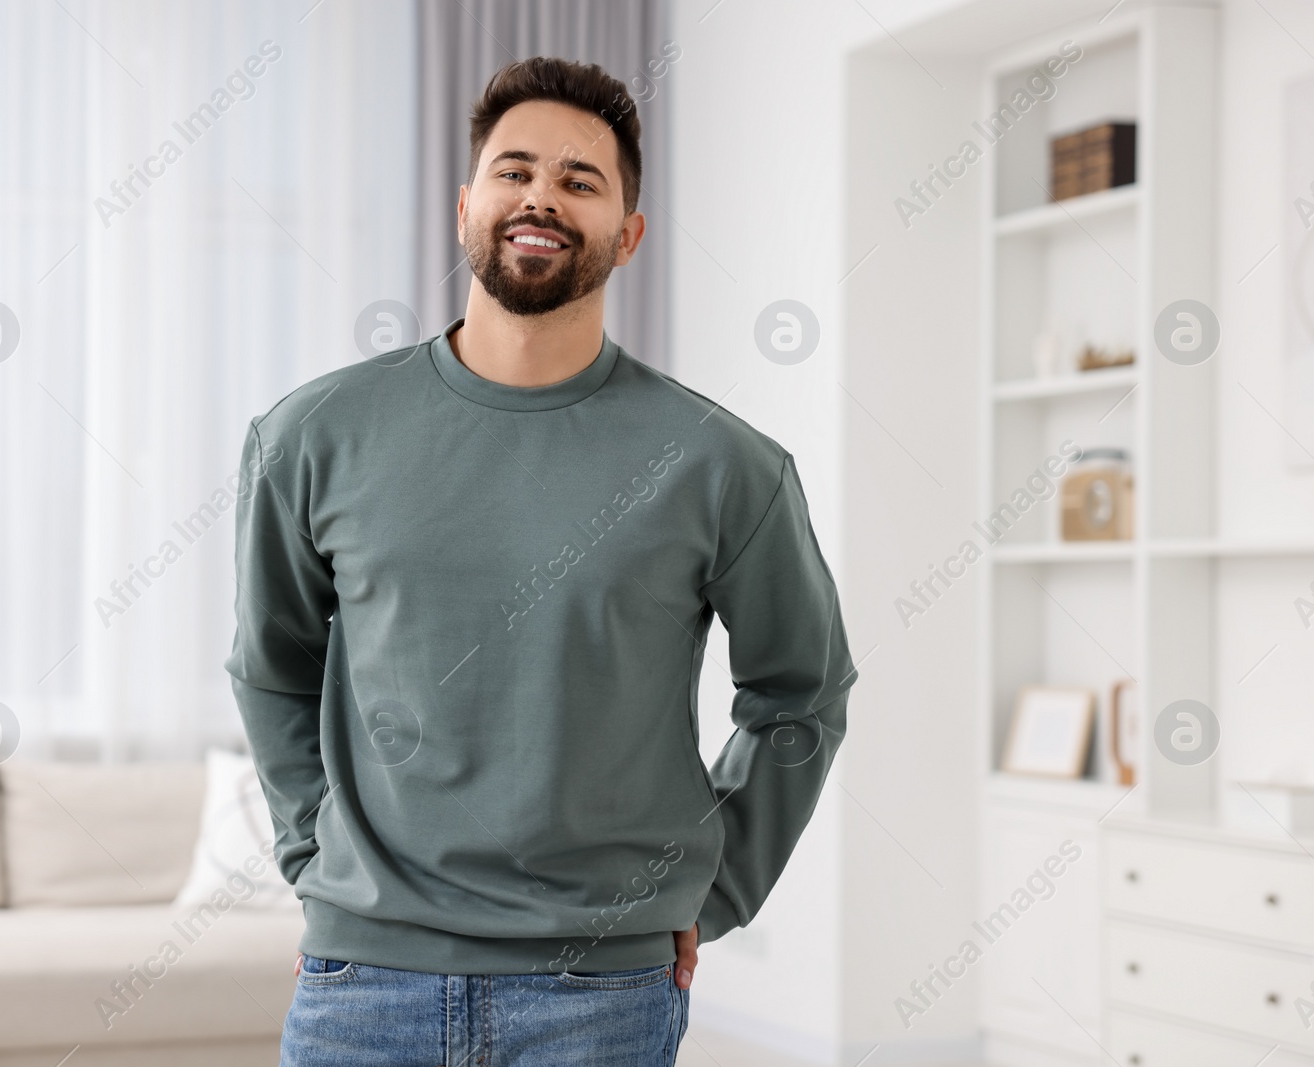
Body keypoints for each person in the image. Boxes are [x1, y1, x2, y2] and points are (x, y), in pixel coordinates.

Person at [226, 54, 857, 1067]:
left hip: (599, 995)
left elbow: (802, 690)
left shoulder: (720, 462)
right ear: (468, 204)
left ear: (627, 233)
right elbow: (272, 662)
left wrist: (714, 884)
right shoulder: (311, 436)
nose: (541, 198)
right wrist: (313, 850)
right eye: (516, 171)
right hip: (361, 986)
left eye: (580, 181)